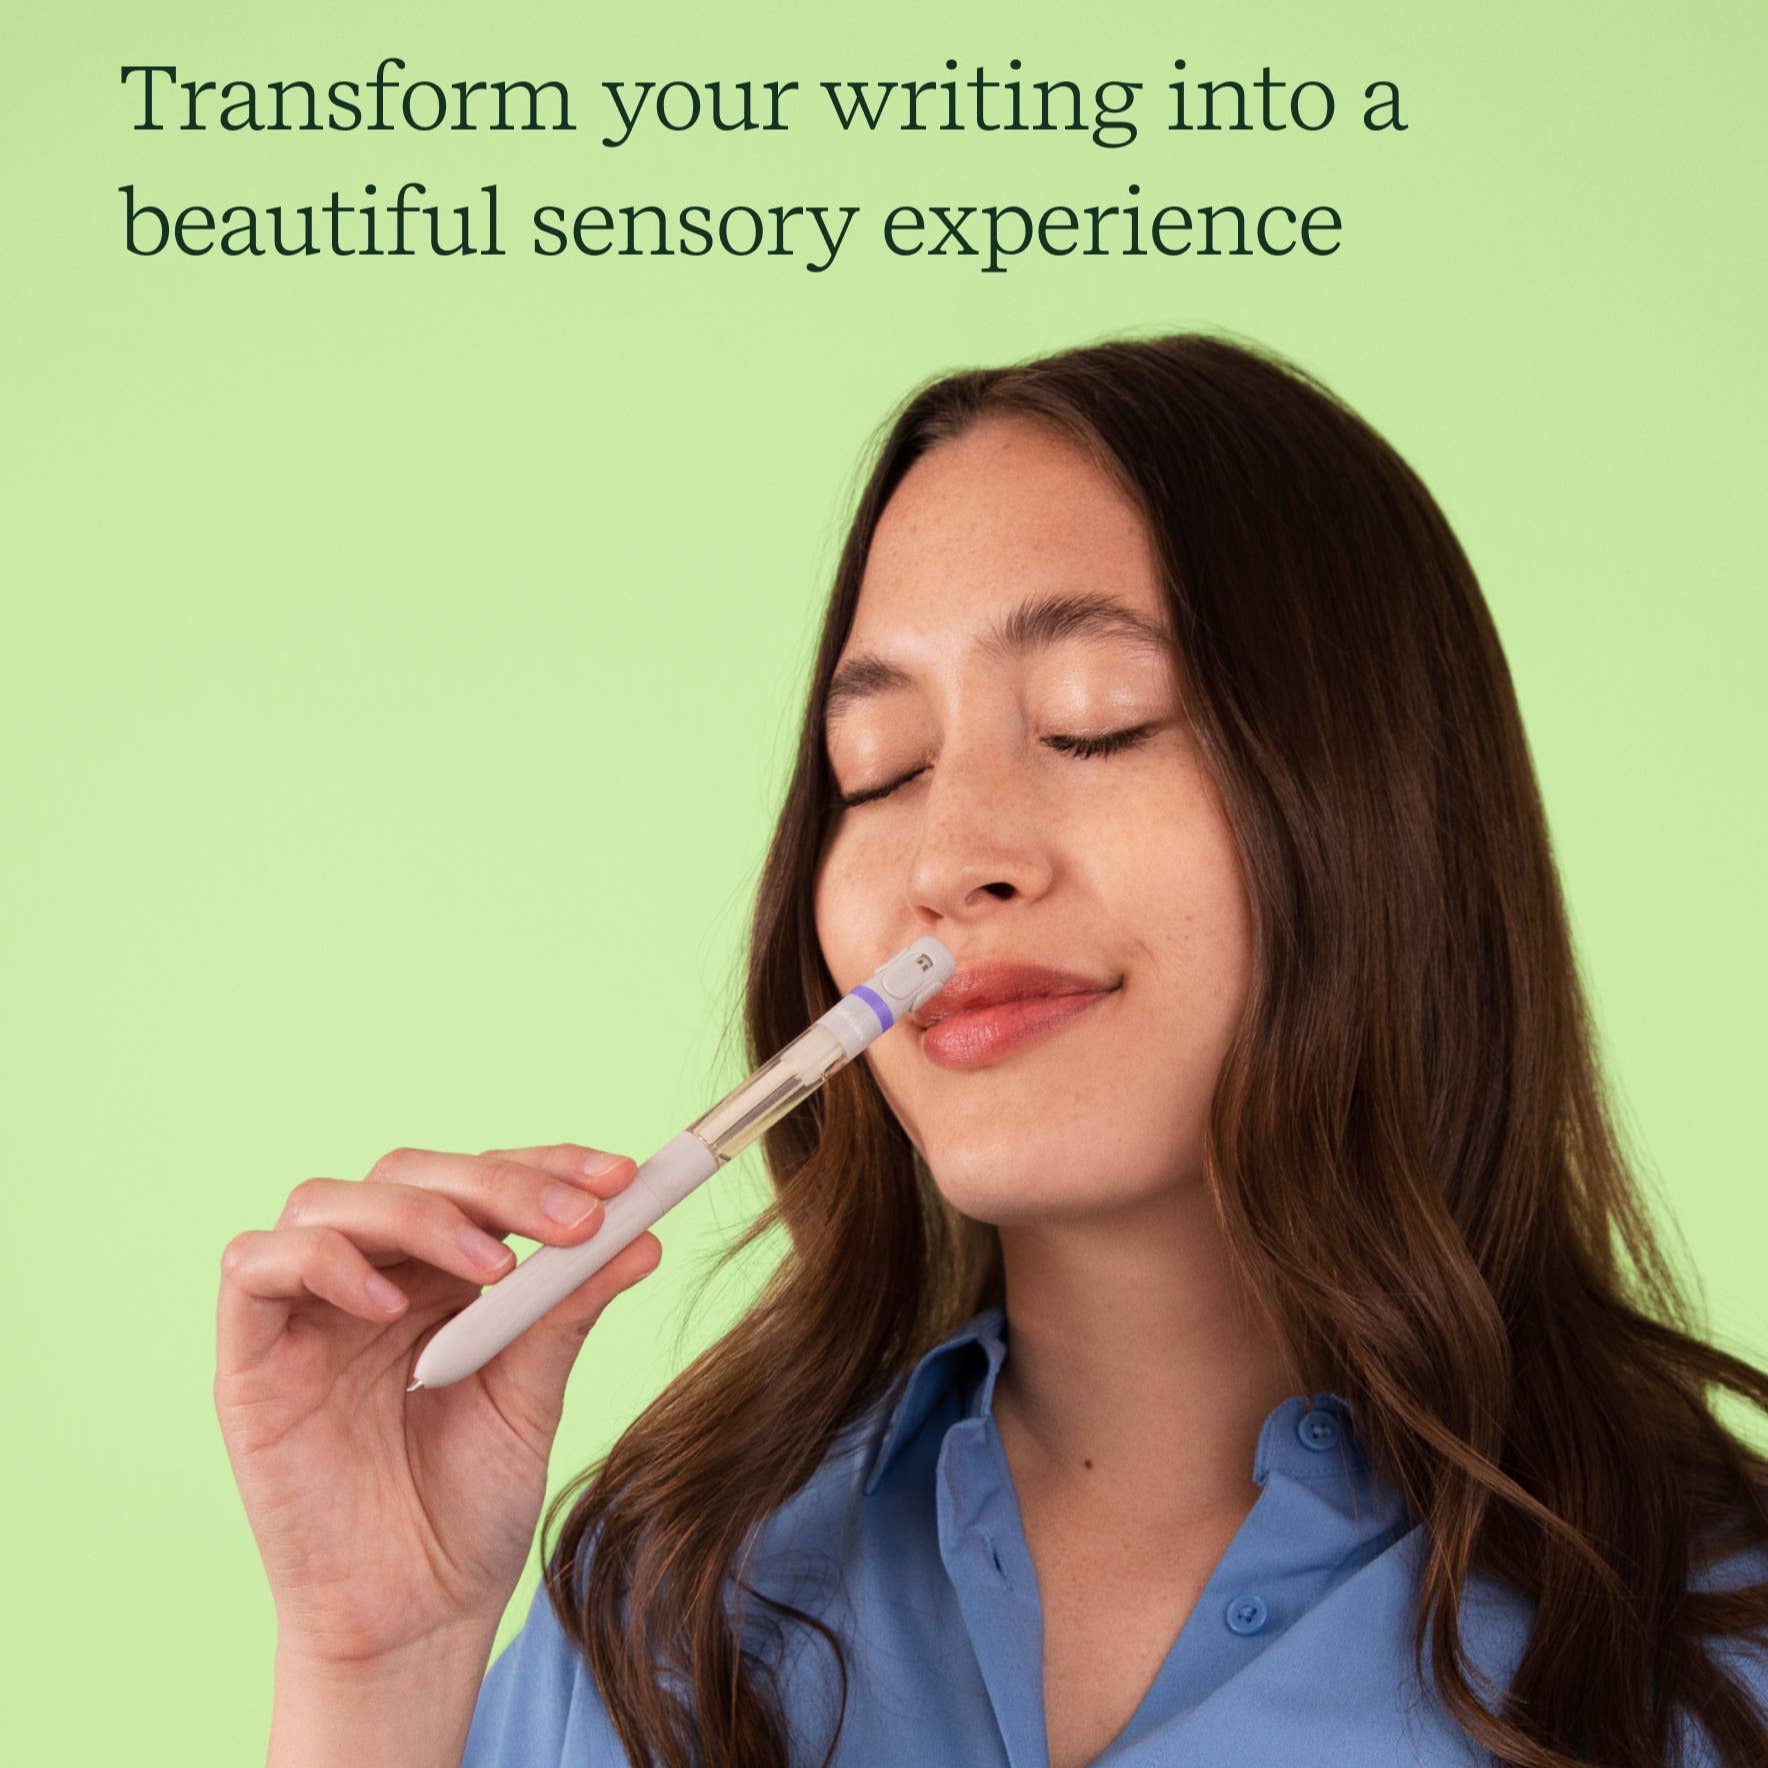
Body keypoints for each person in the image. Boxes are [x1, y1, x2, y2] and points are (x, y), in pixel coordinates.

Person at [216, 331, 1768, 1768]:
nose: (945, 857)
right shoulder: (670, 1605)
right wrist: (375, 1666)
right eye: (875, 770)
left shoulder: (1714, 1641)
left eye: (1097, 721)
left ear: (1382, 807)